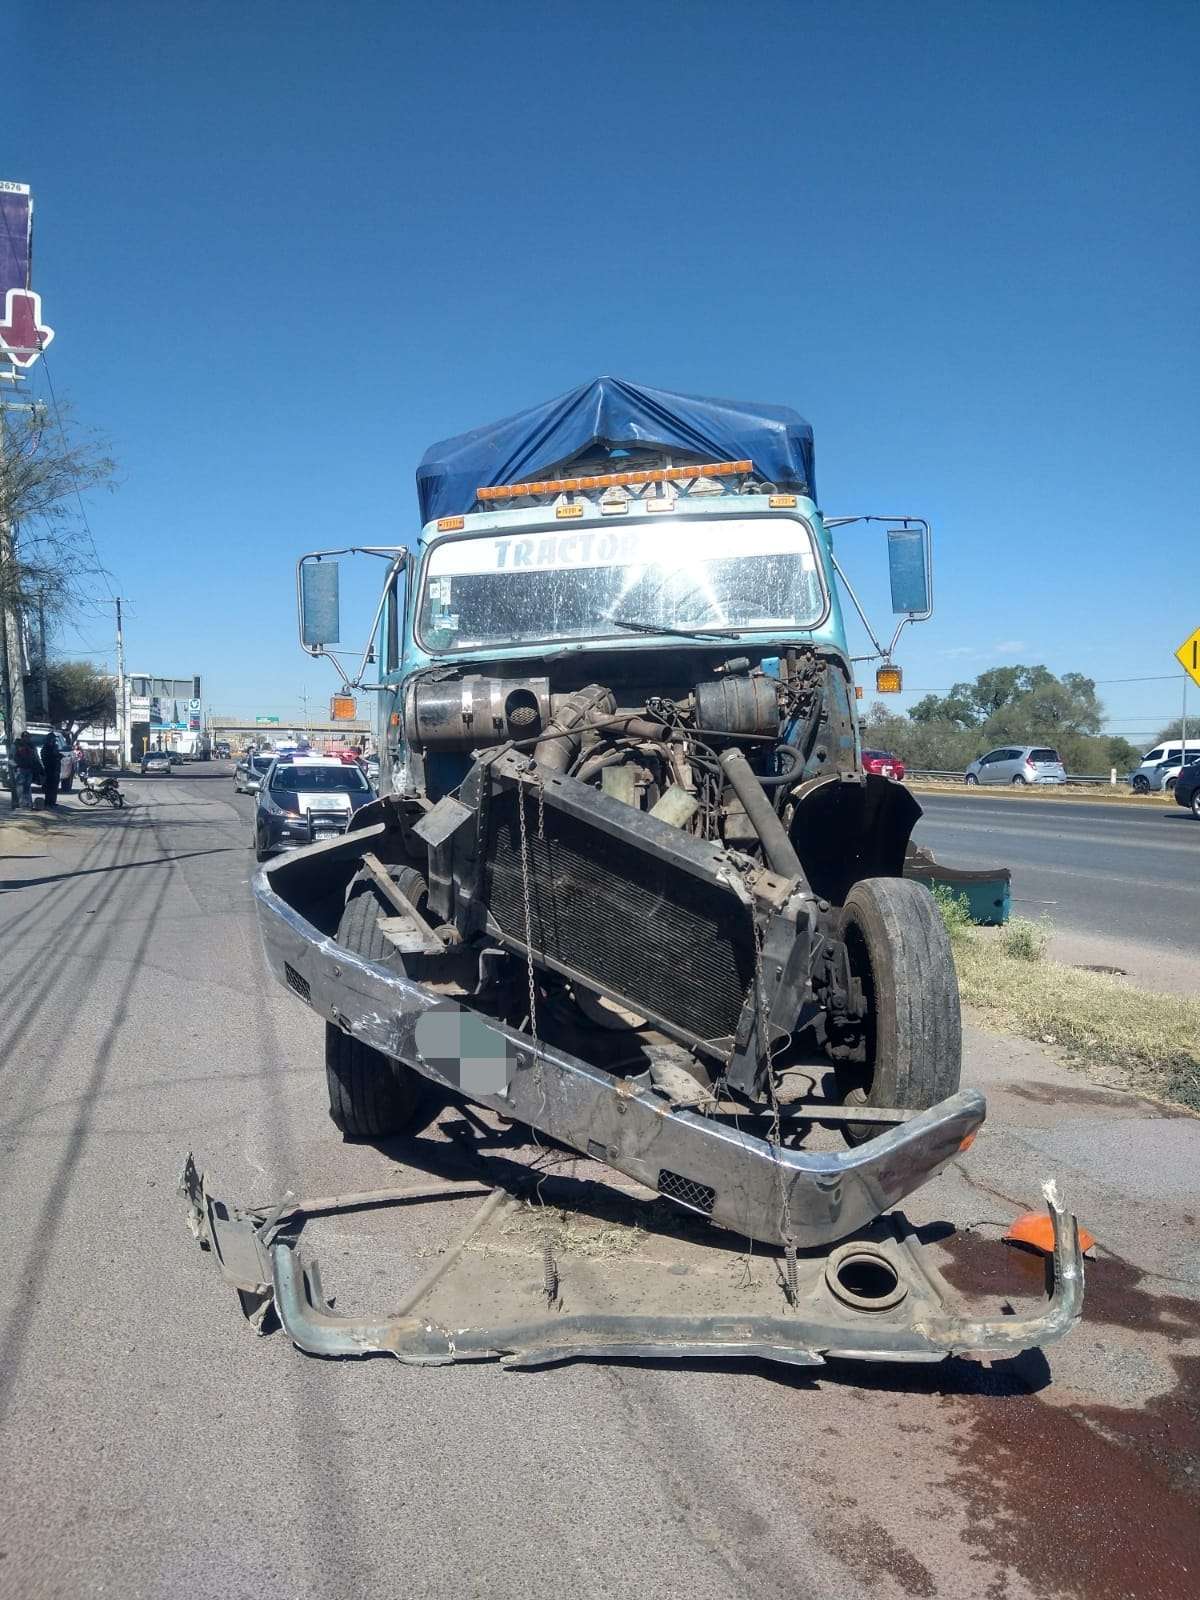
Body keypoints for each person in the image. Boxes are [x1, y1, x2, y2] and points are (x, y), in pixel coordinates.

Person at [11, 730, 41, 809]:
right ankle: (21, 804)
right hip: (20, 769)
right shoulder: (16, 745)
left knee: (27, 787)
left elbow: (36, 756)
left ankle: (28, 803)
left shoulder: (31, 746)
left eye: (28, 737)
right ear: (22, 737)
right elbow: (11, 757)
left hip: (29, 769)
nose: (27, 738)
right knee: (20, 788)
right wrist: (15, 766)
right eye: (25, 737)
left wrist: (38, 766)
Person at [40, 729, 63, 809]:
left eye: (54, 739)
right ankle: (48, 802)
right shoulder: (46, 748)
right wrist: (55, 756)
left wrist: (58, 756)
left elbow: (58, 755)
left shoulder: (54, 747)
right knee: (49, 787)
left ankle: (53, 802)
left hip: (56, 769)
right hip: (49, 770)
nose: (53, 741)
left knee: (55, 787)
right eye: (52, 739)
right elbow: (46, 758)